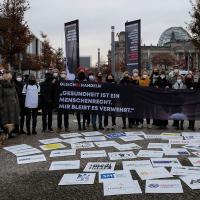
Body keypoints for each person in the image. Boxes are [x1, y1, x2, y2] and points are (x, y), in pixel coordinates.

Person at [0, 71, 20, 145]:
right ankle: (6, 134)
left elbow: (16, 95)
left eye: (10, 78)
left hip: (13, 105)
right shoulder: (1, 86)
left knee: (13, 119)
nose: (9, 80)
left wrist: (17, 104)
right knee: (6, 120)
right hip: (6, 106)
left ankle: (11, 133)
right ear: (5, 78)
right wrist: (2, 105)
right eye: (8, 78)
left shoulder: (13, 85)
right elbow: (0, 97)